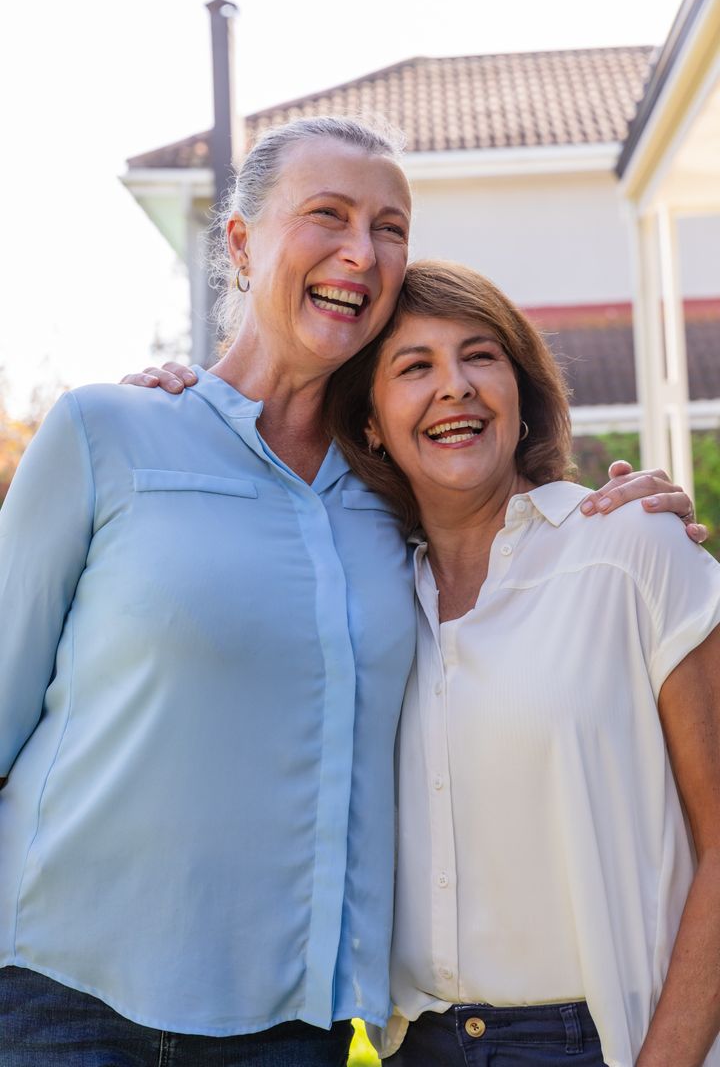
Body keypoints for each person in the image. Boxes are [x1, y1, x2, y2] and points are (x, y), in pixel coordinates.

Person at [0, 117, 702, 1067]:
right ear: (241, 242)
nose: (360, 252)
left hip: (296, 1030)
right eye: (326, 215)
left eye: (390, 226)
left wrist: (632, 504)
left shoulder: (394, 507)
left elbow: (514, 548)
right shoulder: (109, 433)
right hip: (65, 1003)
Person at [325, 258, 720, 1067]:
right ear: (369, 422)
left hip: (603, 1041)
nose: (456, 387)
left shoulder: (632, 546)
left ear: (521, 392)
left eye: (480, 356)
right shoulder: (361, 600)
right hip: (418, 1044)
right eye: (414, 367)